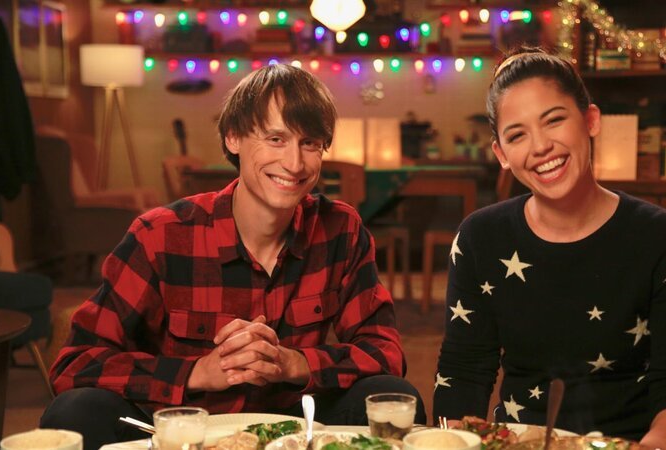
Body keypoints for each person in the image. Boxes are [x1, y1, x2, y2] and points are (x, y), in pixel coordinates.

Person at [41, 64, 425, 450]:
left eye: (309, 143)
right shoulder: (160, 233)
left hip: (291, 427)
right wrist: (197, 372)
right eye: (276, 139)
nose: (294, 163)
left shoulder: (341, 228)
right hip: (179, 428)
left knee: (391, 396)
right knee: (73, 411)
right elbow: (76, 364)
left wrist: (294, 362)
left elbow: (385, 352)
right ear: (233, 137)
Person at [432, 47, 666, 449]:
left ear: (590, 120)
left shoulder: (664, 239)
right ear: (501, 154)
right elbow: (463, 372)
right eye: (517, 135)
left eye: (555, 121)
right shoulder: (480, 237)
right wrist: (450, 443)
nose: (541, 146)